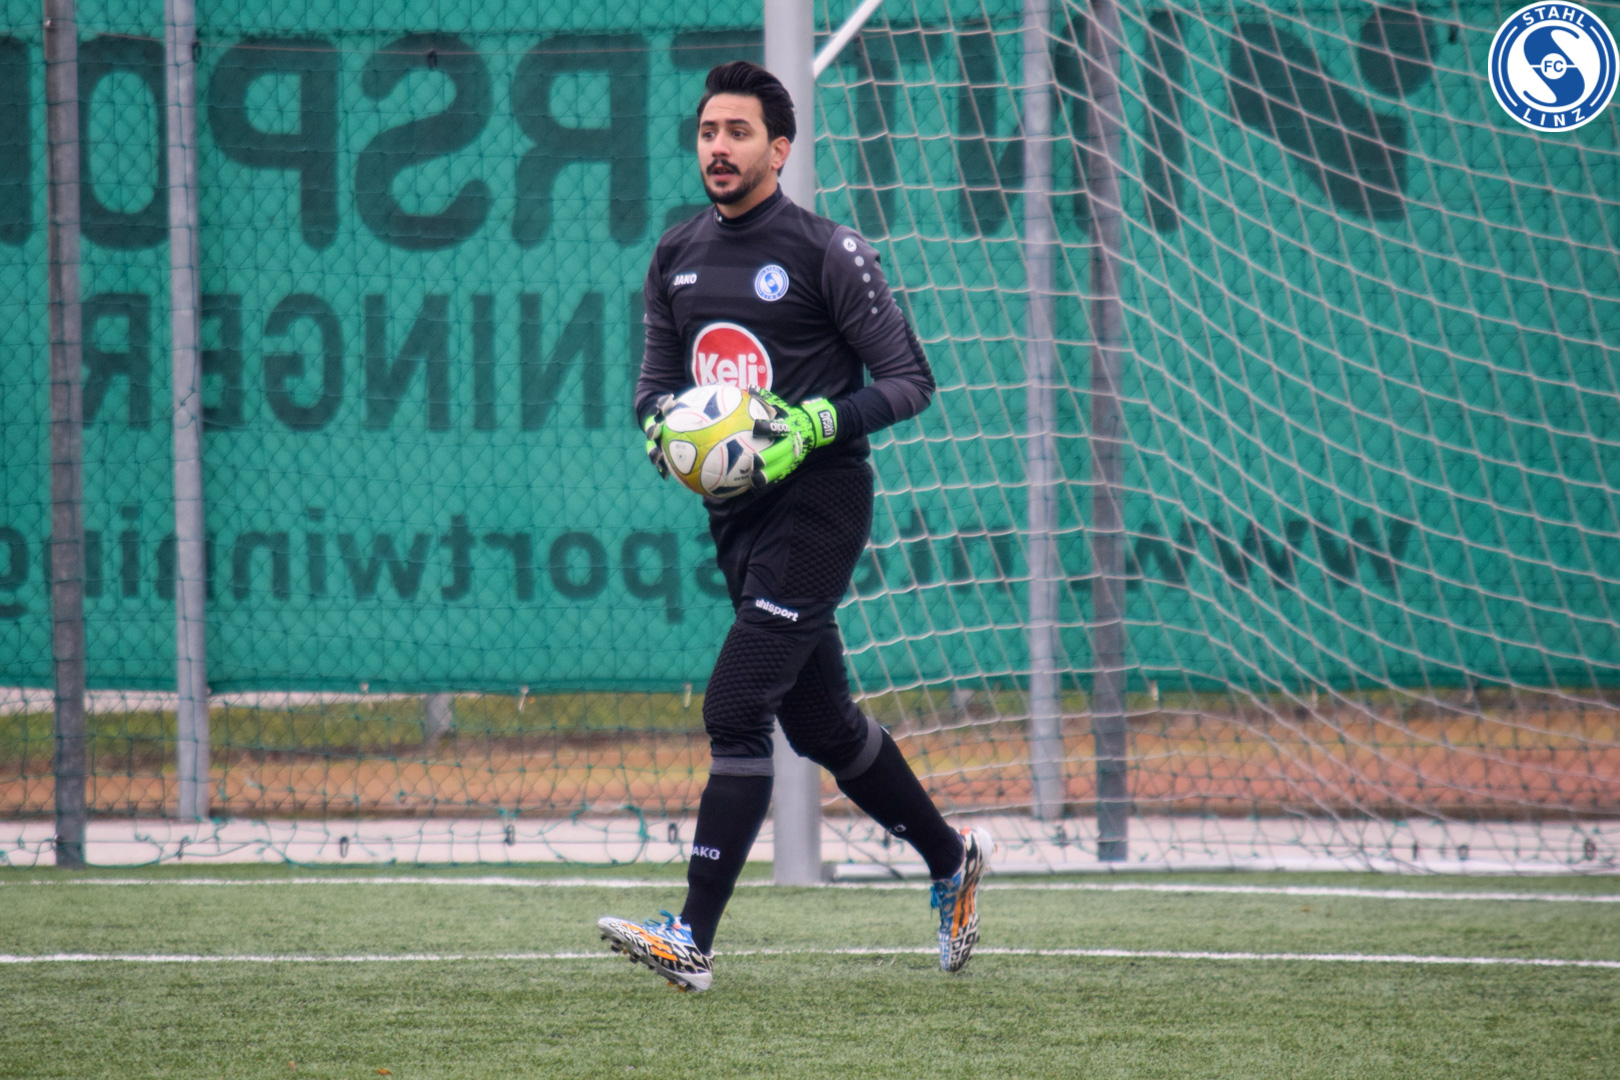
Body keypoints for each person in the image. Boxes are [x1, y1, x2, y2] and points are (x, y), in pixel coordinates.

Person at [597, 61, 991, 993]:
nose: (718, 147)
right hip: (736, 518)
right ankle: (951, 859)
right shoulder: (675, 253)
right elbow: (654, 389)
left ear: (780, 149)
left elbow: (911, 381)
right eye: (708, 132)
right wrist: (667, 433)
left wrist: (815, 423)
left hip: (820, 505)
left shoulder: (827, 252)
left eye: (738, 133)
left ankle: (690, 939)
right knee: (820, 725)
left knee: (736, 708)